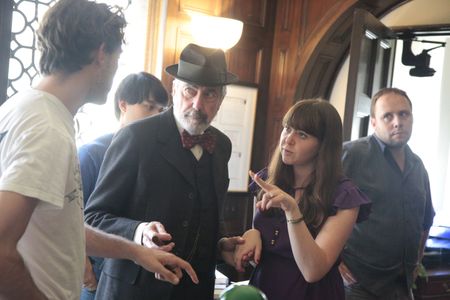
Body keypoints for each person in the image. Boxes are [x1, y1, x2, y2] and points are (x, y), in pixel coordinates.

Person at [0, 1, 197, 299]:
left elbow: (62, 228)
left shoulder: (24, 106)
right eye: (118, 59)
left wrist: (135, 251)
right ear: (102, 53)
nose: (117, 70)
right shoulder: (47, 128)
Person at [84, 43, 244, 300]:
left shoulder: (222, 146)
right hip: (132, 292)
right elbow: (93, 217)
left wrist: (220, 244)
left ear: (222, 99)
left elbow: (204, 215)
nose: (197, 103)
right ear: (175, 89)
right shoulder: (136, 137)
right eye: (190, 91)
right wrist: (139, 231)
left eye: (210, 95)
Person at [233, 99, 371, 300]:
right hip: (264, 288)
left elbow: (313, 270)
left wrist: (292, 210)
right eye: (287, 129)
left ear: (323, 145)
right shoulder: (268, 179)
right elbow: (268, 249)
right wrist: (253, 234)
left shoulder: (344, 195)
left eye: (302, 134)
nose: (288, 139)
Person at [79, 72, 169, 299]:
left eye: (160, 110)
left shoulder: (156, 156)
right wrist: (85, 268)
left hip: (134, 272)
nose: (155, 116)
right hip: (93, 269)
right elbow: (74, 216)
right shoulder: (92, 153)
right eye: (149, 107)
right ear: (123, 105)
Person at [339, 87, 435, 300]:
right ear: (373, 122)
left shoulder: (418, 165)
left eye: (403, 114)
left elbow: (426, 220)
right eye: (387, 116)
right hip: (358, 285)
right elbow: (315, 205)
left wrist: (416, 262)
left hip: (402, 285)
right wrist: (334, 262)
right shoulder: (351, 155)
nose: (397, 122)